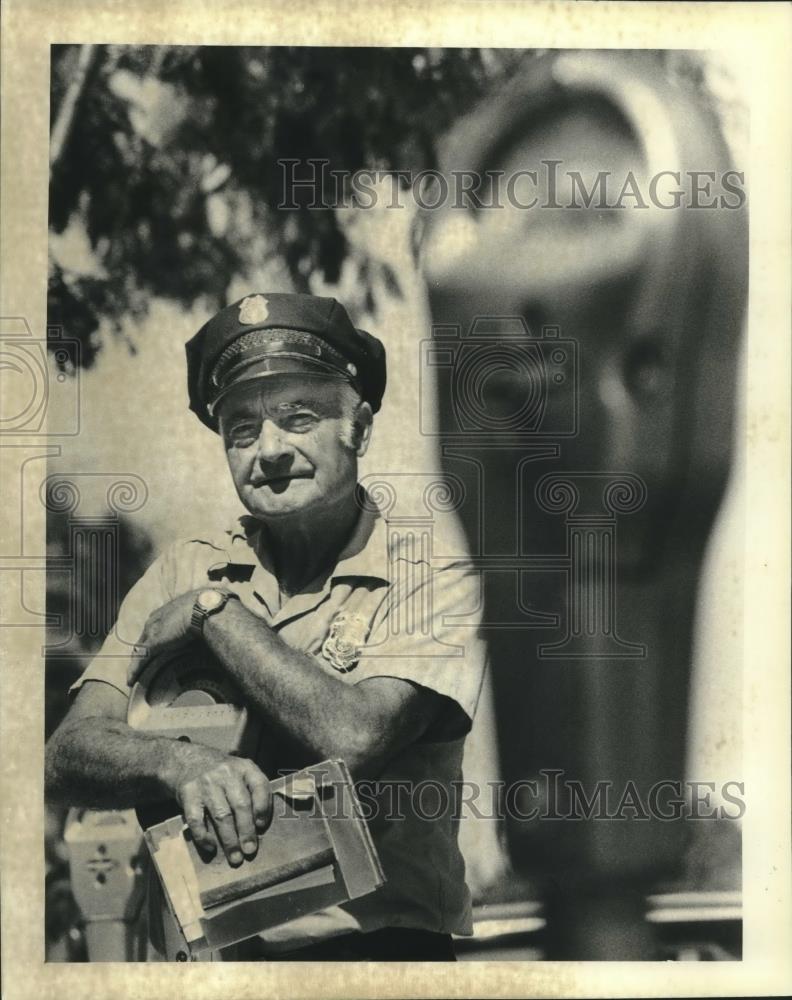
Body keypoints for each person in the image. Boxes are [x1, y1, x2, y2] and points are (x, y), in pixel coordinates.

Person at [45, 292, 487, 961]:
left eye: (298, 418)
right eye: (243, 431)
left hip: (373, 958)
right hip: (207, 966)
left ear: (359, 429)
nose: (270, 450)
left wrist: (215, 616)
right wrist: (180, 763)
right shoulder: (181, 569)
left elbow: (355, 733)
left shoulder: (432, 574)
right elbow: (68, 751)